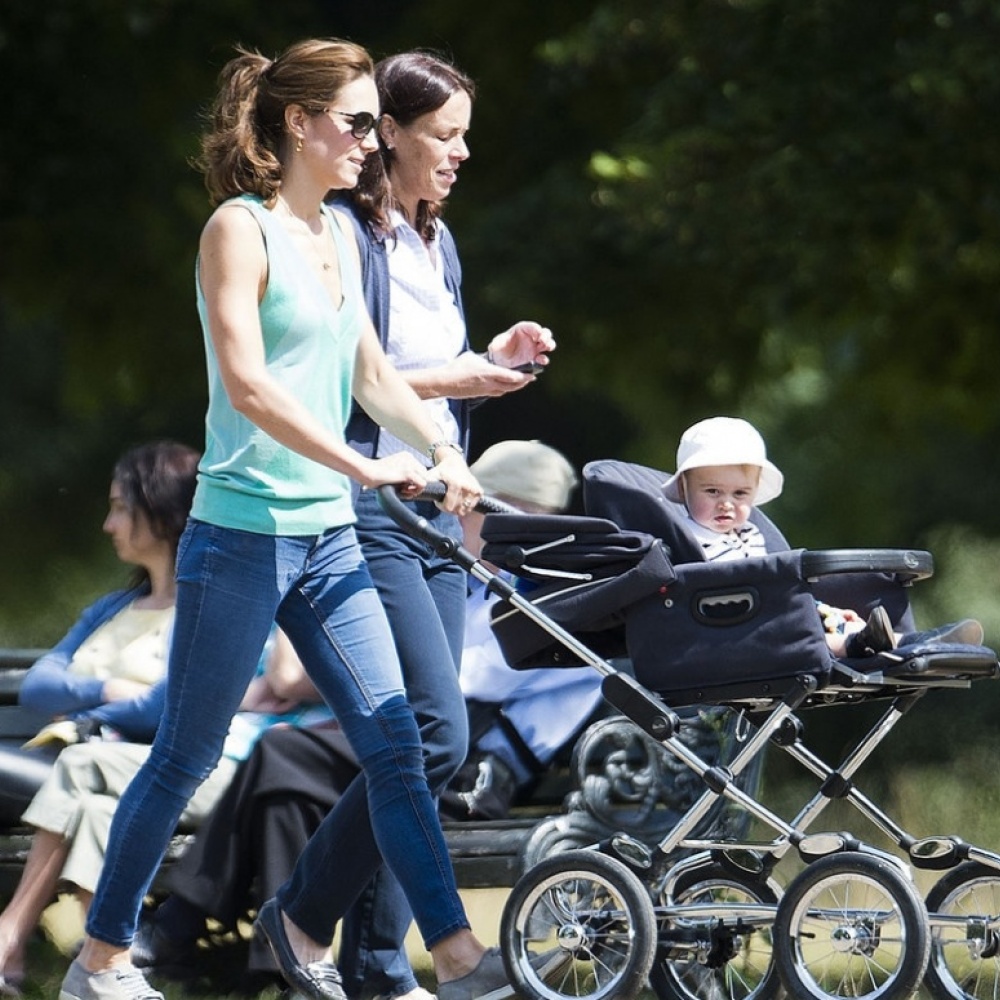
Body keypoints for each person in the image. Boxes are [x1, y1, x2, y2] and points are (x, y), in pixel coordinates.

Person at [58, 37, 518, 1000]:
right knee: (183, 754)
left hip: (329, 537)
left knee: (399, 742)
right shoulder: (239, 230)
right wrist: (365, 463)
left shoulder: (341, 237)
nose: (367, 141)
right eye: (355, 122)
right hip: (242, 535)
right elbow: (249, 385)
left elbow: (371, 374)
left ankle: (461, 958)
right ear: (300, 124)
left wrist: (437, 450)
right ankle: (100, 957)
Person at [132, 440, 595, 995]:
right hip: (455, 740)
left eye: (481, 512)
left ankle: (198, 928)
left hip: (480, 769)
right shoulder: (474, 589)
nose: (469, 523)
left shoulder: (540, 602)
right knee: (291, 791)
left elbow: (454, 684)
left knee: (299, 755)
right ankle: (330, 970)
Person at [331, 51, 553, 1000]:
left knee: (426, 738)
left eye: (466, 135)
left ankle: (361, 953)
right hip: (371, 499)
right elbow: (352, 370)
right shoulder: (346, 231)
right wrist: (458, 380)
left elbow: (431, 364)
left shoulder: (436, 240)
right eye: (445, 135)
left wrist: (487, 359)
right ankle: (354, 941)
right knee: (426, 728)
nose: (461, 154)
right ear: (388, 131)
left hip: (435, 510)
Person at [0, 440, 198, 993]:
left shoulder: (201, 610)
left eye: (119, 507)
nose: (109, 524)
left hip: (135, 765)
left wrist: (87, 712)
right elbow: (38, 687)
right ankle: (99, 962)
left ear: (161, 511)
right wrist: (112, 687)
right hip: (67, 759)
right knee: (84, 794)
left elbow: (165, 707)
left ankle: (11, 937)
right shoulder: (111, 608)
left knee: (84, 775)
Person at [662, 417, 984, 654]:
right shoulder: (686, 536)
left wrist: (816, 609)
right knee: (814, 635)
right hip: (738, 634)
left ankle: (915, 643)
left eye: (740, 493)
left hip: (777, 617)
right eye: (713, 491)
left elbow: (777, 588)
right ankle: (862, 644)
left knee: (843, 621)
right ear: (683, 488)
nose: (727, 504)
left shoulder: (750, 535)